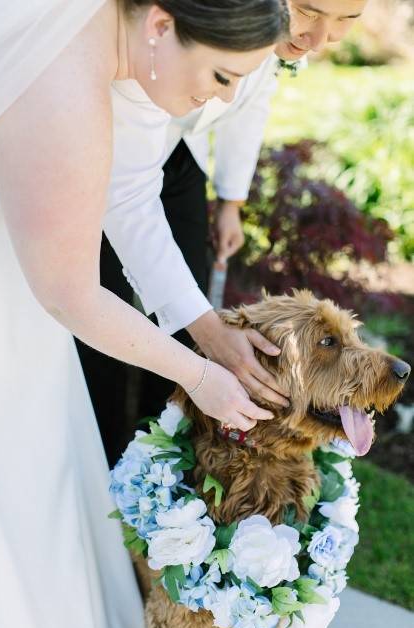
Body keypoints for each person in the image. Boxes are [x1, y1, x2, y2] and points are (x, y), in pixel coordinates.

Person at [0, 0, 290, 628]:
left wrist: (208, 329)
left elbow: (127, 192)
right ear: (160, 25)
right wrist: (200, 376)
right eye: (221, 77)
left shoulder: (123, 49)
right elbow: (70, 293)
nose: (219, 102)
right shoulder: (64, 84)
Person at [76, 0, 367, 467]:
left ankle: (164, 442)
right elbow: (77, 289)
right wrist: (204, 346)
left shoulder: (273, 39)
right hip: (106, 149)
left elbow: (251, 104)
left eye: (347, 22)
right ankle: (104, 441)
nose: (320, 40)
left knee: (176, 299)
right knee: (99, 294)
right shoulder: (131, 58)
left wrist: (231, 201)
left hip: (176, 156)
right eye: (310, 12)